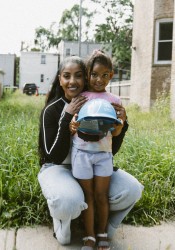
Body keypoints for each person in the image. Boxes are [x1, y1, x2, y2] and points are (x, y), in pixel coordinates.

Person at [37, 55, 143, 247]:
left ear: (85, 78)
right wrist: (66, 118)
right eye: (67, 76)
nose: (72, 81)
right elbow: (52, 156)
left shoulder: (93, 103)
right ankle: (63, 225)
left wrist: (122, 125)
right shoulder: (51, 110)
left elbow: (111, 148)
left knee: (132, 190)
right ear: (60, 79)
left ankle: (105, 230)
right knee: (71, 201)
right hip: (57, 168)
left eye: (78, 76)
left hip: (91, 162)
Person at [70, 50, 123, 250]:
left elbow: (116, 132)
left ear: (111, 75)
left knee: (102, 195)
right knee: (88, 196)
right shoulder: (81, 96)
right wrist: (72, 126)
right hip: (81, 153)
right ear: (87, 74)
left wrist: (119, 124)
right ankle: (89, 236)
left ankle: (102, 234)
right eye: (94, 74)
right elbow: (73, 124)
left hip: (103, 154)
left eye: (104, 75)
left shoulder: (115, 101)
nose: (99, 79)